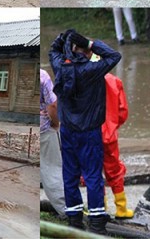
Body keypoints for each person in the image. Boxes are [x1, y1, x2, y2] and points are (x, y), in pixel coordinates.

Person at [49, 29, 122, 234]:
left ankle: (74, 221)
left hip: (68, 131)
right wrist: (90, 43)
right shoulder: (92, 69)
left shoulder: (59, 67)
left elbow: (53, 50)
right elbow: (115, 55)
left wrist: (63, 40)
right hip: (90, 132)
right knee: (92, 177)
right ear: (83, 50)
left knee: (70, 175)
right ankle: (97, 223)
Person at [102, 73, 133, 219]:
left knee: (91, 170)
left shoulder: (83, 75)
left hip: (89, 133)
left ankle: (99, 207)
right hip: (109, 135)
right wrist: (113, 126)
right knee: (114, 170)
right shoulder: (114, 80)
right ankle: (121, 208)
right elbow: (122, 112)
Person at [40, 69, 66, 218]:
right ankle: (65, 210)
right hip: (45, 130)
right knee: (52, 170)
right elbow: (53, 106)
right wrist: (56, 124)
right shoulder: (43, 75)